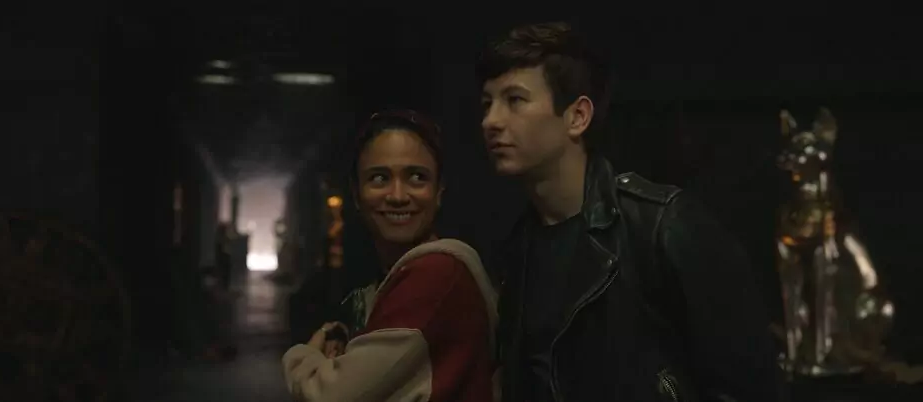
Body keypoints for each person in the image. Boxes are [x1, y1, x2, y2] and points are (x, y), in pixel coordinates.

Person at [478, 22, 786, 402]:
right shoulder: (517, 251)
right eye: (487, 104)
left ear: (577, 116)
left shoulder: (661, 226)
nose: (491, 121)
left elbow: (749, 384)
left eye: (514, 100)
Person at [282, 110, 498, 402]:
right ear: (356, 194)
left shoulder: (436, 274)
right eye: (379, 178)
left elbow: (332, 395)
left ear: (439, 191)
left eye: (417, 178)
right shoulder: (392, 276)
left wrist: (303, 359)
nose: (397, 196)